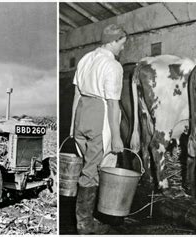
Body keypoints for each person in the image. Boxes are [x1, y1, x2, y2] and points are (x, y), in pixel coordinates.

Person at [69, 24, 127, 234]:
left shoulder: (85, 59)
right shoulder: (112, 66)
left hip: (82, 113)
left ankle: (89, 217)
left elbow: (76, 94)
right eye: (122, 43)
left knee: (88, 164)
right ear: (113, 41)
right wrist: (117, 137)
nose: (122, 48)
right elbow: (112, 104)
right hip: (99, 115)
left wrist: (72, 126)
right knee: (92, 171)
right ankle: (85, 225)